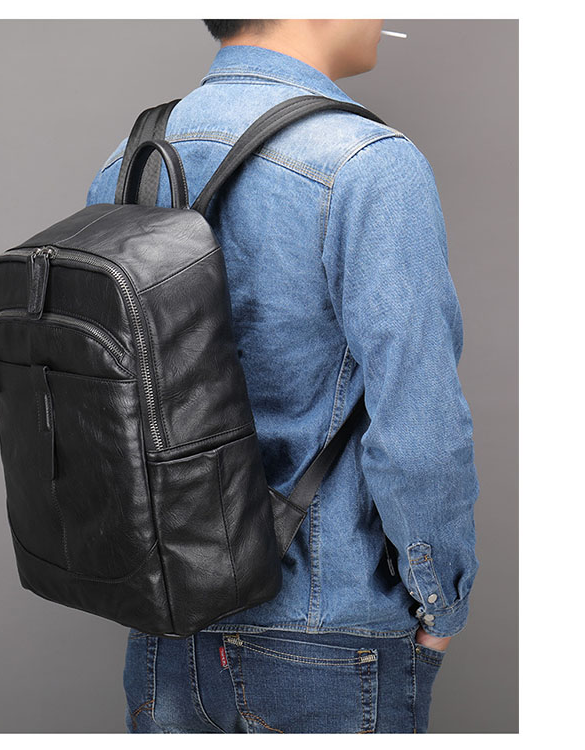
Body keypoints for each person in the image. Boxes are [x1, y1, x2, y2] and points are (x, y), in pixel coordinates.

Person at [85, 19, 479, 734]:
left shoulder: (129, 162)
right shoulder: (368, 163)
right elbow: (420, 428)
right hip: (327, 631)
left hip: (164, 627)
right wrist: (440, 601)